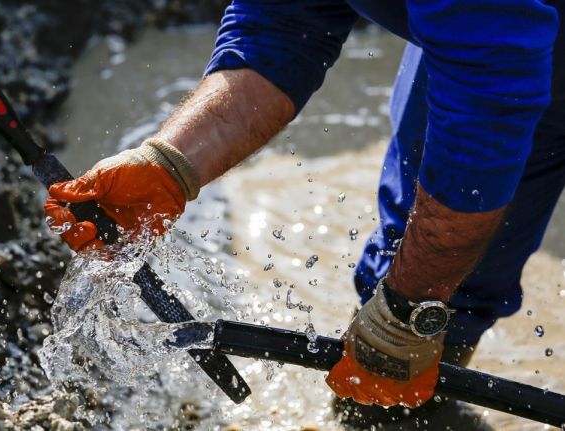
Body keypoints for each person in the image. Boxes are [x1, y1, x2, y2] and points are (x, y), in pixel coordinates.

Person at [45, 0, 565, 426]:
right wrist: (168, 165)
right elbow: (282, 26)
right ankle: (397, 401)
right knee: (419, 272)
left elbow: (486, 117)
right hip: (488, 33)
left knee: (429, 292)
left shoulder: (489, 44)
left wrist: (411, 311)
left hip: (497, 34)